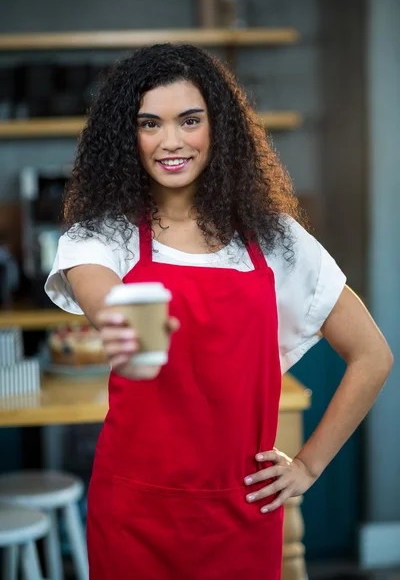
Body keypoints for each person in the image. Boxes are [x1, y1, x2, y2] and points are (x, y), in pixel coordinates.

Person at [45, 43, 393, 580]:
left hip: (242, 512)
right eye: (149, 124)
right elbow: (107, 301)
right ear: (126, 136)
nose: (171, 142)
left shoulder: (275, 241)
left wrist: (306, 465)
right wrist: (128, 326)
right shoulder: (102, 236)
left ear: (218, 127)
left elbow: (372, 356)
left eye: (189, 120)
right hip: (135, 512)